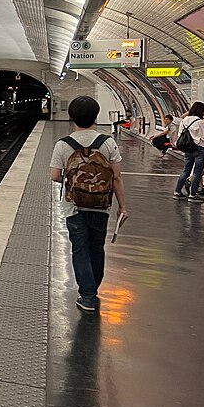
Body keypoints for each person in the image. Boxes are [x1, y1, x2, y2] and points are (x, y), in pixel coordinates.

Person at [50, 96, 128, 313]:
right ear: (96, 117)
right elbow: (117, 177)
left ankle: (87, 295)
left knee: (80, 249)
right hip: (101, 206)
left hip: (74, 206)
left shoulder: (63, 145)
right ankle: (92, 289)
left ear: (71, 117)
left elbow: (55, 176)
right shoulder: (108, 142)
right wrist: (122, 207)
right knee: (96, 247)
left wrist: (73, 179)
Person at [174, 101, 204, 203]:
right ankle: (193, 194)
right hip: (200, 149)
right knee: (197, 172)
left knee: (186, 171)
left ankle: (177, 191)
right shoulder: (200, 122)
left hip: (188, 149)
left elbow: (181, 133)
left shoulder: (184, 120)